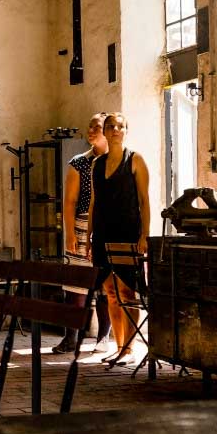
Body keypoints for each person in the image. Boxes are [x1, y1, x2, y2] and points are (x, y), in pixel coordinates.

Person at [87, 112, 152, 365]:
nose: (114, 130)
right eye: (110, 126)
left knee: (128, 291)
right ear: (104, 131)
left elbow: (145, 201)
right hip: (103, 234)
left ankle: (129, 348)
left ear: (126, 130)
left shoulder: (135, 160)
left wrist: (144, 234)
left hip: (127, 232)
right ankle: (118, 345)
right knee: (110, 292)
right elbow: (94, 202)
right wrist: (89, 235)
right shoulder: (97, 164)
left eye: (119, 126)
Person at [54, 113, 110, 354]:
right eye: (90, 126)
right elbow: (70, 200)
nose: (90, 131)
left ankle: (103, 337)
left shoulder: (119, 160)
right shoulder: (80, 162)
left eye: (96, 127)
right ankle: (71, 337)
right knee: (75, 284)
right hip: (81, 224)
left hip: (108, 226)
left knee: (105, 285)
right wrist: (70, 233)